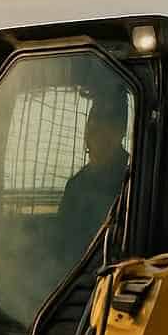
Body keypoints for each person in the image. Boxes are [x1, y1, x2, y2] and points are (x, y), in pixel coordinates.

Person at [55, 88, 131, 252]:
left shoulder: (134, 181)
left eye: (108, 119)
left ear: (122, 129)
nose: (97, 126)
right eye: (94, 118)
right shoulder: (76, 186)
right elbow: (60, 246)